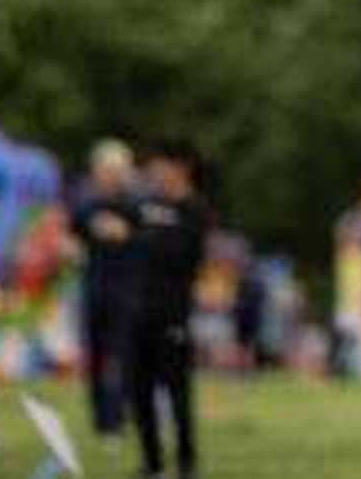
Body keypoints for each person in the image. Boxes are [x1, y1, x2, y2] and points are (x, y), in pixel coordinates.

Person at [130, 141, 209, 479]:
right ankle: (152, 463)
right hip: (139, 311)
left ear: (181, 168)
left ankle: (186, 463)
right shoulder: (146, 206)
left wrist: (139, 238)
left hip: (173, 314)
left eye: (162, 166)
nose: (155, 173)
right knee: (139, 390)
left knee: (177, 391)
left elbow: (183, 255)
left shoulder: (195, 210)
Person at [70, 138, 141, 439]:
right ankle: (101, 422)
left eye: (115, 169)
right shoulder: (85, 206)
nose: (109, 174)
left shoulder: (136, 207)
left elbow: (148, 243)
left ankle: (119, 419)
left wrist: (127, 235)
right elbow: (73, 237)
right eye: (104, 168)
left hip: (126, 291)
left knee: (123, 357)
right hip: (94, 289)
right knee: (96, 358)